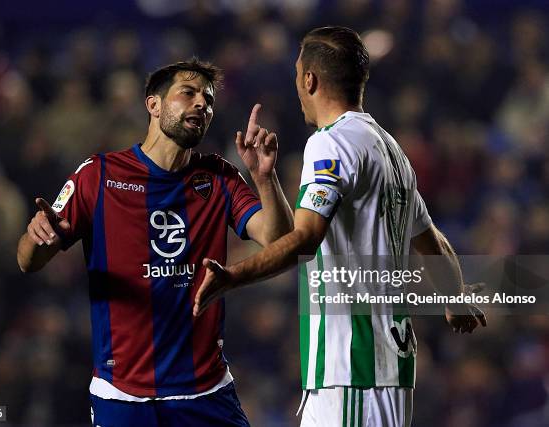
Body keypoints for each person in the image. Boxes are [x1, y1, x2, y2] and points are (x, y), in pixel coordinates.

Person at [193, 27, 487, 427]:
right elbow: (431, 238)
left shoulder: (330, 143)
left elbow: (306, 240)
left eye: (297, 74)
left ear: (309, 79)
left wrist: (231, 277)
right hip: (379, 367)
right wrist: (454, 298)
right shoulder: (389, 149)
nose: (296, 85)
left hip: (354, 367)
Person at [16, 58, 293, 427]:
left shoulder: (218, 177)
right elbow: (28, 261)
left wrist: (264, 178)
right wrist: (36, 236)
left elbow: (280, 241)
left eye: (208, 100)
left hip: (205, 393)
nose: (202, 104)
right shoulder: (98, 175)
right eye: (189, 93)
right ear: (154, 104)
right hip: (123, 396)